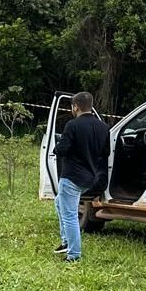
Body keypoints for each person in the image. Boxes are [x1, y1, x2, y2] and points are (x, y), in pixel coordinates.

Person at [53, 91, 110, 263]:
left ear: (76, 106)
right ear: (91, 106)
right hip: (90, 178)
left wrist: (58, 147)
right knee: (59, 202)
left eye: (72, 106)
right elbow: (105, 152)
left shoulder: (72, 125)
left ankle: (73, 254)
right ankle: (66, 241)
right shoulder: (103, 127)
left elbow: (62, 149)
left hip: (71, 177)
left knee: (69, 215)